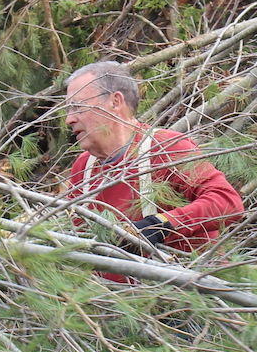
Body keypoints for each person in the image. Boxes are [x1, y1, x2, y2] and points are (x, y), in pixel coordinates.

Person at [63, 61, 243, 264]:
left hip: (183, 289)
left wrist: (160, 226)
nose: (69, 119)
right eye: (68, 110)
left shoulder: (168, 147)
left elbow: (227, 203)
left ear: (115, 102)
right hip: (110, 294)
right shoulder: (83, 167)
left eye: (77, 106)